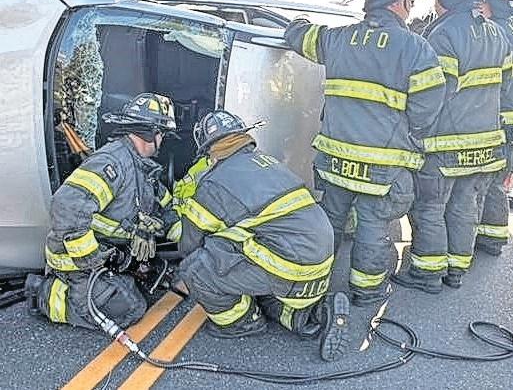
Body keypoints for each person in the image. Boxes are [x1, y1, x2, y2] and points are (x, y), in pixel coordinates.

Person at [284, 0, 446, 306]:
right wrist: (409, 137)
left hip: (334, 161)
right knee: (373, 225)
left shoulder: (336, 39)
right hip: (382, 166)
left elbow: (298, 35)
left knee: (330, 220)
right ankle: (367, 291)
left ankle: (314, 284)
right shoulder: (417, 49)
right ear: (405, 0)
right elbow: (427, 110)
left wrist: (296, 21)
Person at [171, 110, 350, 362]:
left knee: (196, 268)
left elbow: (189, 245)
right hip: (318, 262)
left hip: (289, 265)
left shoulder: (214, 182)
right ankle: (315, 315)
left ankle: (244, 322)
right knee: (250, 267)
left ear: (211, 152)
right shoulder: (267, 163)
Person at [393, 0, 513, 292]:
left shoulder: (442, 34)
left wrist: (413, 130)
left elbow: (434, 95)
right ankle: (456, 271)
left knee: (430, 208)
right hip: (486, 144)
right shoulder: (496, 33)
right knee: (464, 206)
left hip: (445, 144)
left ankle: (427, 273)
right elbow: (505, 88)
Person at [25, 93, 178, 330]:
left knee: (143, 285)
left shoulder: (140, 166)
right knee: (130, 308)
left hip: (108, 249)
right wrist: (94, 260)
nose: (163, 140)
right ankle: (45, 294)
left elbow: (165, 205)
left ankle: (108, 283)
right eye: (162, 134)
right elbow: (66, 207)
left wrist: (184, 233)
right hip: (75, 261)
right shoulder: (113, 163)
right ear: (151, 132)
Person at [475, 0, 513, 256]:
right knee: (497, 180)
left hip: (498, 118)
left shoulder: (494, 34)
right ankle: (493, 236)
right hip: (507, 121)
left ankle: (485, 237)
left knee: (486, 181)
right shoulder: (508, 29)